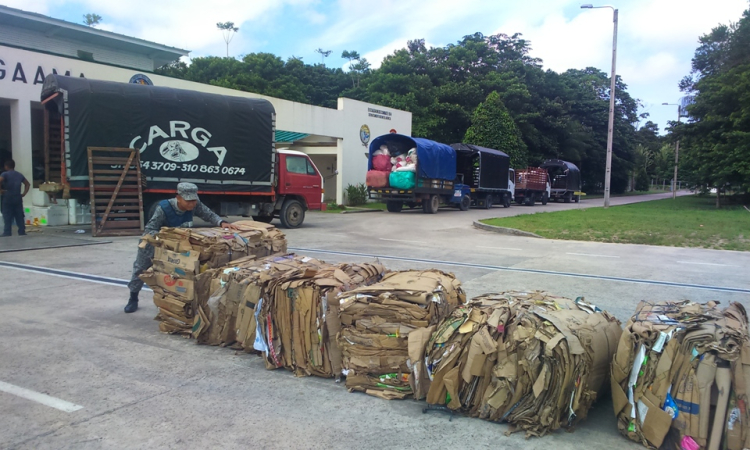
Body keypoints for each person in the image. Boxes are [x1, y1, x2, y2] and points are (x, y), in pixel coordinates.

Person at [125, 182, 239, 313]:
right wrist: (165, 238)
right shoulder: (164, 208)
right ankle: (133, 297)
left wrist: (222, 222)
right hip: (155, 243)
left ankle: (175, 302)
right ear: (178, 197)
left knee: (178, 273)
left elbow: (208, 214)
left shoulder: (194, 205)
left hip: (179, 245)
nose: (191, 204)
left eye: (193, 201)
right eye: (188, 201)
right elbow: (150, 230)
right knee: (140, 268)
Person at [0, 159, 31, 237]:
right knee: (19, 215)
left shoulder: (5, 174)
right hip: (17, 197)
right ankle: (21, 231)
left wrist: (1, 190)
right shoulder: (19, 175)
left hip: (8, 196)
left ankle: (7, 232)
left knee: (7, 215)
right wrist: (24, 193)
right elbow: (27, 184)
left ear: (6, 166)